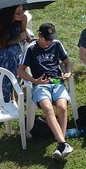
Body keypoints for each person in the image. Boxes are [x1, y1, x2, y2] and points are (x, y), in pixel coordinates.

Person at [17, 23, 74, 160]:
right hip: (40, 85)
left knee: (62, 107)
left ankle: (61, 143)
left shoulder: (57, 45)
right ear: (39, 36)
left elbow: (67, 63)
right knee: (48, 108)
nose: (49, 42)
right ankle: (63, 143)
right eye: (47, 39)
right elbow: (20, 71)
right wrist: (35, 81)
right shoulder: (31, 49)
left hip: (57, 82)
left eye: (51, 39)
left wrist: (68, 73)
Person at [0, 4, 28, 102]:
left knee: (11, 55)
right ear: (10, 13)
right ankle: (8, 92)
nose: (21, 15)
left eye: (22, 11)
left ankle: (9, 91)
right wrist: (17, 40)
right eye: (18, 13)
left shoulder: (23, 18)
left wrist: (28, 38)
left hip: (13, 46)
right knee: (8, 57)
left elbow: (23, 32)